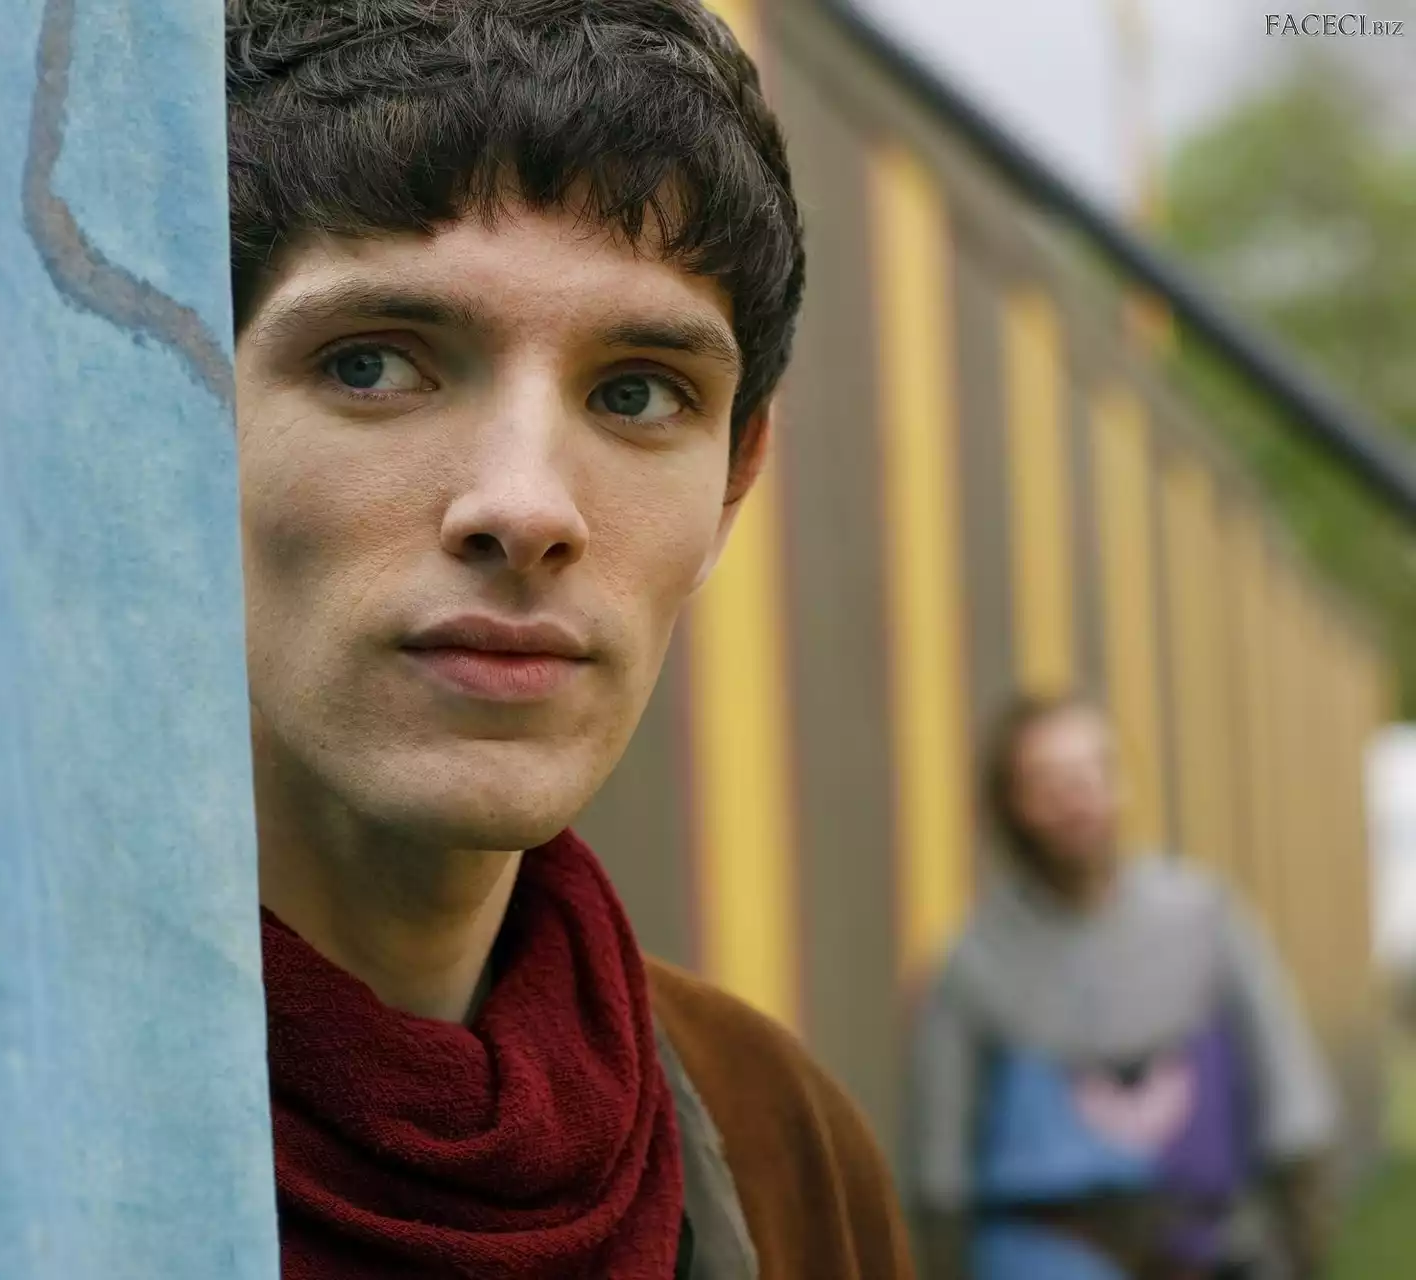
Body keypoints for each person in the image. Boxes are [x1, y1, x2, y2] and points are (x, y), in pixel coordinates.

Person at [223, 2, 912, 1276]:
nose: (527, 506)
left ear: (735, 484)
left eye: (637, 391)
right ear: (175, 409)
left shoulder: (785, 1143)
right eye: (374, 364)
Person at [908, 693, 1340, 1279]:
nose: (1075, 798)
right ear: (1009, 804)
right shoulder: (975, 962)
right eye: (1048, 781)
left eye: (1091, 771)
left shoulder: (1203, 920)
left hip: (1207, 1246)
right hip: (1037, 1252)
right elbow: (939, 1171)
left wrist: (1301, 1232)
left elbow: (1294, 1105)